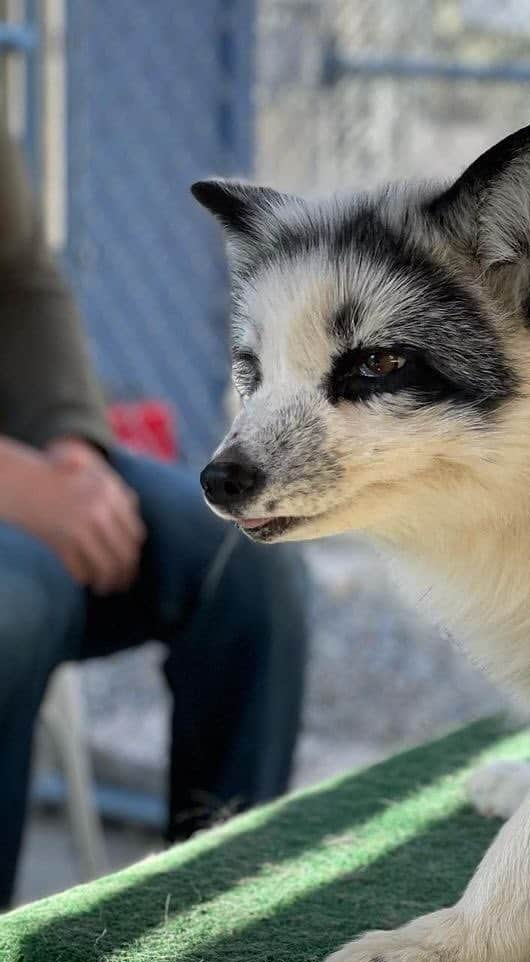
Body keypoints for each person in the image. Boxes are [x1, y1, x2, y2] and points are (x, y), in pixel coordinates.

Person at [0, 126, 308, 909]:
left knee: (243, 566)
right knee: (18, 600)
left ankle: (217, 927)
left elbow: (22, 280)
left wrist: (71, 450)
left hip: (26, 457)